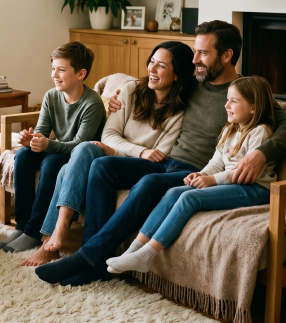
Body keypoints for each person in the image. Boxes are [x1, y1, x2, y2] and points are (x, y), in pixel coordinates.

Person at [35, 20, 286, 287]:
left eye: (203, 53)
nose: (195, 60)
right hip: (166, 162)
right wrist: (113, 100)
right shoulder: (192, 82)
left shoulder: (244, 91)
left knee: (150, 183)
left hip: (195, 170)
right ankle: (94, 259)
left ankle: (88, 258)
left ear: (227, 55)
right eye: (195, 52)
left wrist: (261, 154)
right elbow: (150, 83)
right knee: (102, 167)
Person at [19, 41, 195, 267]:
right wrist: (139, 150)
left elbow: (158, 155)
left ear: (177, 74)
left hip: (134, 164)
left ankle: (51, 242)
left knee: (67, 166)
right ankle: (57, 232)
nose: (151, 69)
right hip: (118, 153)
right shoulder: (131, 90)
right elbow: (109, 135)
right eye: (151, 61)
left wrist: (118, 151)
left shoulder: (179, 113)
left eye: (161, 66)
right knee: (83, 150)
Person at [106, 76, 277, 274]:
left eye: (234, 101)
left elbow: (244, 172)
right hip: (230, 182)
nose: (226, 105)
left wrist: (212, 180)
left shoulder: (260, 132)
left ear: (253, 107)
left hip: (255, 188)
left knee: (190, 198)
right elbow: (216, 162)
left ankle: (147, 255)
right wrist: (201, 174)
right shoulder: (229, 129)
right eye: (227, 99)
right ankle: (133, 250)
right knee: (173, 192)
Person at [0, 41, 106, 255]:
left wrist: (47, 144)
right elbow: (42, 132)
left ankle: (33, 232)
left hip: (81, 158)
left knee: (51, 161)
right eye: (53, 68)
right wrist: (31, 140)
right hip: (59, 149)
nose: (54, 75)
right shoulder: (51, 96)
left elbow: (79, 145)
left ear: (81, 74)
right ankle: (22, 226)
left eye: (61, 70)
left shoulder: (92, 103)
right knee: (24, 155)